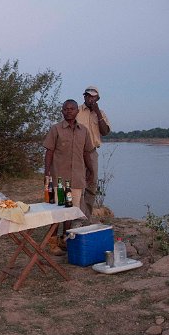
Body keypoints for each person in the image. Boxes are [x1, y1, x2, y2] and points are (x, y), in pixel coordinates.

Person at [43, 99, 95, 254]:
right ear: (62, 111)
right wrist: (46, 173)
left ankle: (64, 241)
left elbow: (87, 153)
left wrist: (90, 170)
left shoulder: (84, 131)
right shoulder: (55, 129)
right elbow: (49, 151)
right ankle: (52, 243)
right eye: (65, 109)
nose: (68, 111)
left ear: (77, 111)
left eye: (72, 109)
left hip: (77, 178)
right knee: (56, 212)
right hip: (59, 178)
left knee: (70, 211)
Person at [76, 85, 111, 221]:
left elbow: (105, 132)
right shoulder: (76, 111)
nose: (91, 99)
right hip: (78, 152)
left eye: (94, 97)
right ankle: (78, 217)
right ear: (84, 96)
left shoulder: (100, 113)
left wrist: (98, 113)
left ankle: (87, 217)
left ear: (97, 99)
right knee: (78, 185)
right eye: (88, 96)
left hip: (91, 153)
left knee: (91, 185)